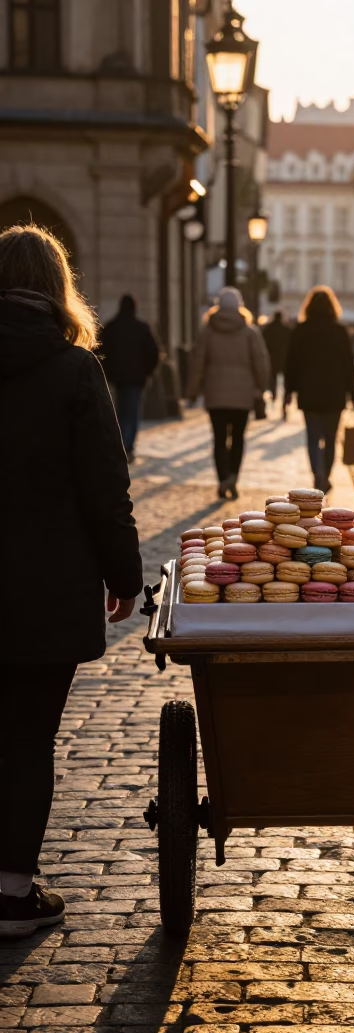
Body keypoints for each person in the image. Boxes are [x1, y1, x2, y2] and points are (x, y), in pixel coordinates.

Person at [0, 225, 142, 937]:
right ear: (59, 288)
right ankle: (11, 892)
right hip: (45, 590)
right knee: (26, 741)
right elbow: (103, 486)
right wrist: (125, 576)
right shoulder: (73, 368)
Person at [189, 286, 270, 501]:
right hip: (242, 396)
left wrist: (193, 389)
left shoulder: (208, 331)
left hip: (216, 394)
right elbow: (261, 363)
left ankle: (222, 478)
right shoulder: (249, 332)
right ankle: (233, 476)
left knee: (218, 438)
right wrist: (260, 388)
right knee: (238, 438)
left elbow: (198, 363)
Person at [285, 285, 354, 493]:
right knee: (331, 438)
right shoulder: (339, 331)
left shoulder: (301, 330)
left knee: (313, 437)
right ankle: (326, 474)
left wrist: (288, 391)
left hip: (309, 393)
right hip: (335, 393)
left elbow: (292, 364)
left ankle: (317, 473)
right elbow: (348, 364)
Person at [99, 294, 160, 461]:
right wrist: (147, 371)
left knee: (119, 411)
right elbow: (154, 353)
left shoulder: (111, 327)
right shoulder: (142, 328)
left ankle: (120, 444)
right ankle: (129, 446)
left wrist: (108, 372)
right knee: (132, 412)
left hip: (117, 377)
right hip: (136, 378)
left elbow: (99, 351)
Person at [261, 310, 292, 419]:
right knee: (286, 385)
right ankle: (285, 404)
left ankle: (273, 397)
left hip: (272, 360)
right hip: (285, 361)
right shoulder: (287, 330)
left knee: (272, 381)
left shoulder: (267, 330)